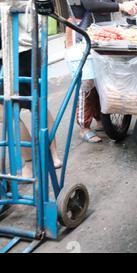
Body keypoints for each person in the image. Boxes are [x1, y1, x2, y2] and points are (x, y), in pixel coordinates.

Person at [0, 0, 62, 178]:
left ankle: (51, 153)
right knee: (6, 110)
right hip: (4, 50)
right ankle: (29, 161)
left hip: (23, 48)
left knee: (37, 103)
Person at [68, 0, 137, 143]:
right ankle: (84, 126)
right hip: (83, 33)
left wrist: (128, 4)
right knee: (87, 81)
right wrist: (122, 6)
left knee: (103, 77)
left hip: (104, 32)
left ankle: (100, 118)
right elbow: (91, 5)